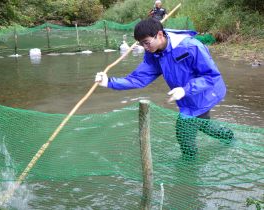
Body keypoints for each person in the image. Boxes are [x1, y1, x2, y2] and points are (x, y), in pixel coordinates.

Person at [95, 18, 234, 159]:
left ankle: (188, 168)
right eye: (141, 44)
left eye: (146, 43)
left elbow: (211, 76)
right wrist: (109, 82)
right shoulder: (153, 52)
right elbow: (139, 78)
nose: (145, 47)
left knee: (184, 132)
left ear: (160, 35)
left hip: (205, 93)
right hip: (187, 97)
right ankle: (229, 137)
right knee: (203, 124)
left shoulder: (191, 46)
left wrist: (185, 90)